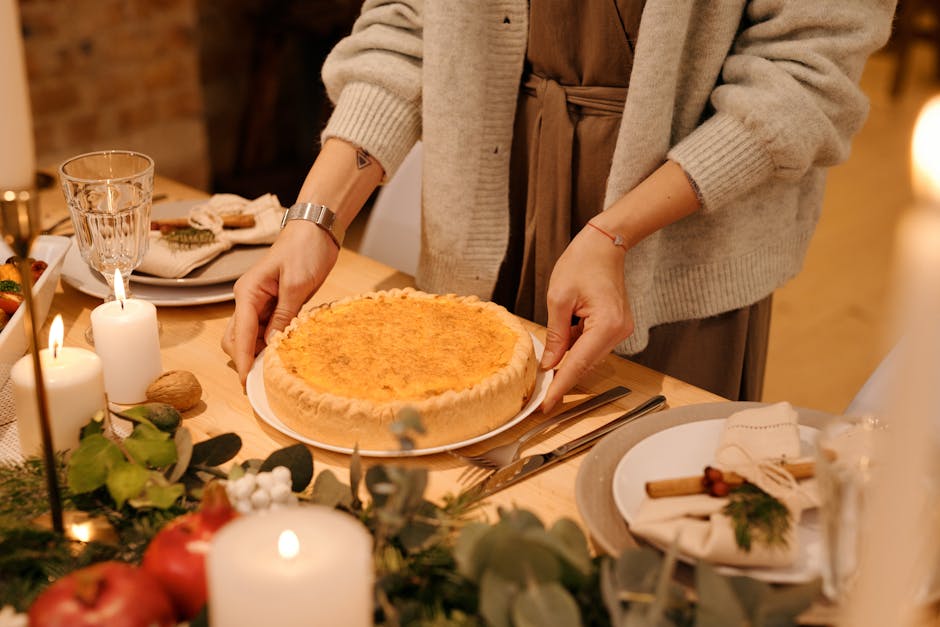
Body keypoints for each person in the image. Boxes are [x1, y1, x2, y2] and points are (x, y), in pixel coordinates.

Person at [222, 0, 895, 413]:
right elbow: (406, 22)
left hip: (684, 234)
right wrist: (315, 219)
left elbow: (805, 73)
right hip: (492, 193)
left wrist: (617, 232)